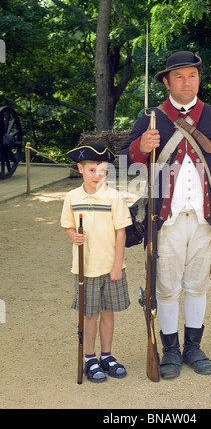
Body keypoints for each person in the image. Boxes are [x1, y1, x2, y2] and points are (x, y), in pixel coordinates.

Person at [120, 51, 211, 379]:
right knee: (167, 287)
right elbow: (123, 168)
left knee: (197, 286)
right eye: (179, 77)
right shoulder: (151, 118)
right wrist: (140, 148)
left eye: (192, 76)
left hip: (205, 220)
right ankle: (171, 350)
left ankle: (193, 347)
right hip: (166, 221)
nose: (187, 82)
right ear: (166, 82)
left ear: (198, 79)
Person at [61, 144, 132, 383]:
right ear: (80, 169)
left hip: (111, 267)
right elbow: (68, 226)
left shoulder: (114, 197)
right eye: (92, 170)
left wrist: (117, 265)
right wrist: (74, 236)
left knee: (107, 313)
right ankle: (90, 358)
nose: (97, 175)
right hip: (86, 268)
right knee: (89, 315)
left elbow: (121, 233)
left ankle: (106, 356)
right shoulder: (72, 197)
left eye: (102, 170)